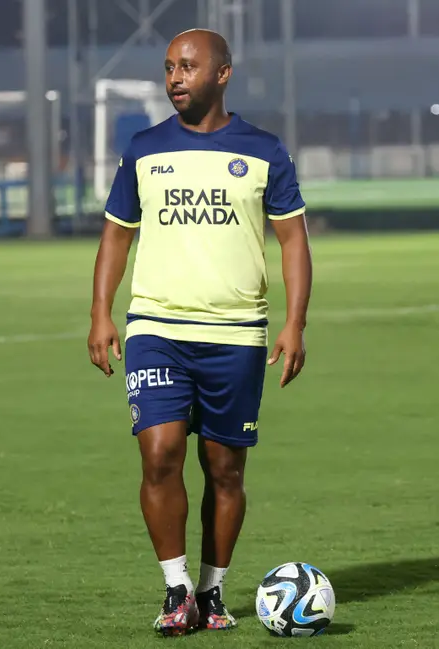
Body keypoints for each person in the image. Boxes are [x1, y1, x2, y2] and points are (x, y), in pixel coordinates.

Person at [88, 28, 312, 636]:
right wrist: (101, 312)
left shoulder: (264, 151)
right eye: (169, 68)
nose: (175, 78)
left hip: (236, 334)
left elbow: (293, 239)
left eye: (187, 66)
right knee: (159, 453)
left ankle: (211, 593)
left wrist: (294, 323)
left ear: (222, 73)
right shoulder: (144, 149)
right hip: (156, 326)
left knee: (225, 469)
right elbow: (116, 235)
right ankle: (175, 588)